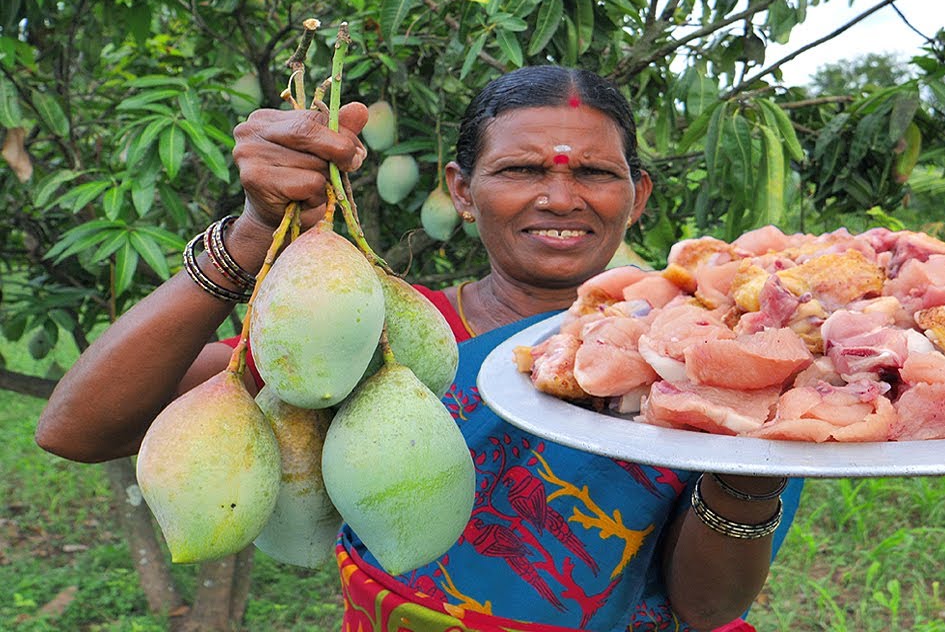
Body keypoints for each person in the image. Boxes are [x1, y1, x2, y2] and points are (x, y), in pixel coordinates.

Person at [36, 66, 804, 632]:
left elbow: (706, 607)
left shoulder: (705, 358)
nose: (561, 197)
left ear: (636, 194)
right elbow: (81, 429)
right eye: (520, 170)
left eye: (596, 174)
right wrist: (246, 238)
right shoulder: (377, 341)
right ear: (462, 192)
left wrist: (739, 453)